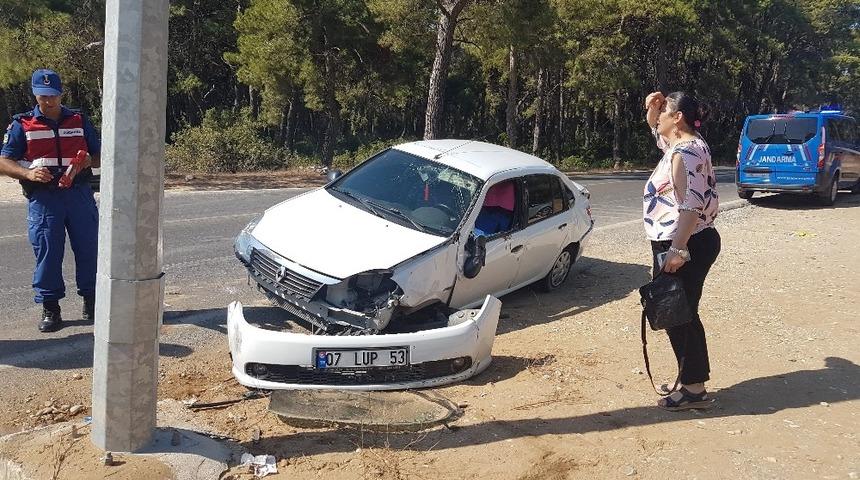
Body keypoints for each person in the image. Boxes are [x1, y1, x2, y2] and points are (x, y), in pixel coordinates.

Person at [0, 69, 101, 333]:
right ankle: (51, 308)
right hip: (44, 197)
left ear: (60, 94)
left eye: (53, 96)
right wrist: (28, 173)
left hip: (78, 194)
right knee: (47, 252)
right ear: (35, 94)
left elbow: (100, 153)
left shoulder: (79, 120)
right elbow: (3, 161)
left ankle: (92, 301)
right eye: (43, 96)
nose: (49, 101)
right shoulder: (22, 125)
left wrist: (90, 160)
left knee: (89, 248)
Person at [643, 91, 721, 410]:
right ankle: (693, 382)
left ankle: (693, 389)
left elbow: (691, 205)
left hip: (685, 241)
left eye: (665, 112)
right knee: (681, 312)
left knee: (678, 314)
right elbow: (656, 130)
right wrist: (652, 107)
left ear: (678, 118)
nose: (658, 117)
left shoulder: (685, 153)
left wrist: (677, 249)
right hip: (690, 239)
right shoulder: (685, 144)